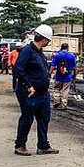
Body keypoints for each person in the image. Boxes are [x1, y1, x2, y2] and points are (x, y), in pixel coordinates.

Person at [13, 24, 59, 156]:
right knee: (27, 118)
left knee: (44, 118)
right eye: (48, 41)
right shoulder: (27, 50)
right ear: (44, 39)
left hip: (42, 93)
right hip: (29, 92)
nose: (48, 43)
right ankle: (20, 145)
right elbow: (18, 69)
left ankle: (43, 146)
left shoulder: (39, 53)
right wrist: (28, 85)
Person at [49, 43, 77, 110]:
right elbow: (75, 68)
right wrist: (74, 75)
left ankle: (57, 101)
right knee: (65, 91)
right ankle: (64, 105)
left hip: (59, 76)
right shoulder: (71, 56)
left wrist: (49, 73)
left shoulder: (58, 55)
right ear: (67, 48)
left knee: (56, 89)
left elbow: (53, 65)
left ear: (61, 47)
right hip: (68, 77)